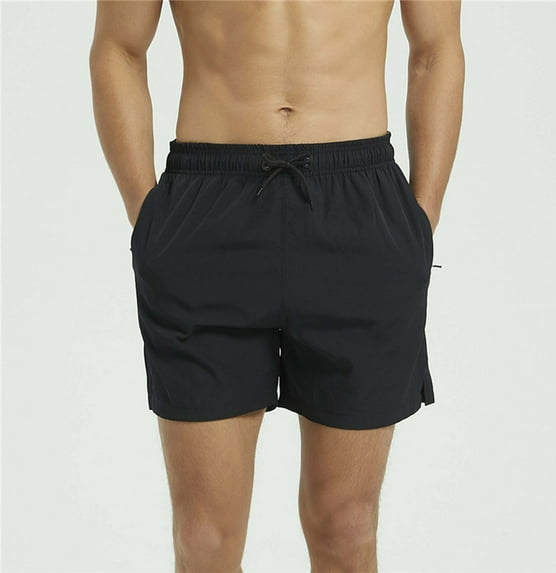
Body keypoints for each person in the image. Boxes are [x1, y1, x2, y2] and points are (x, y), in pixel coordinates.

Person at [89, 1, 464, 571]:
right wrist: (148, 218)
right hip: (207, 204)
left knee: (345, 525)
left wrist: (422, 218)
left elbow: (435, 50)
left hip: (358, 205)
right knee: (204, 537)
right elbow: (118, 47)